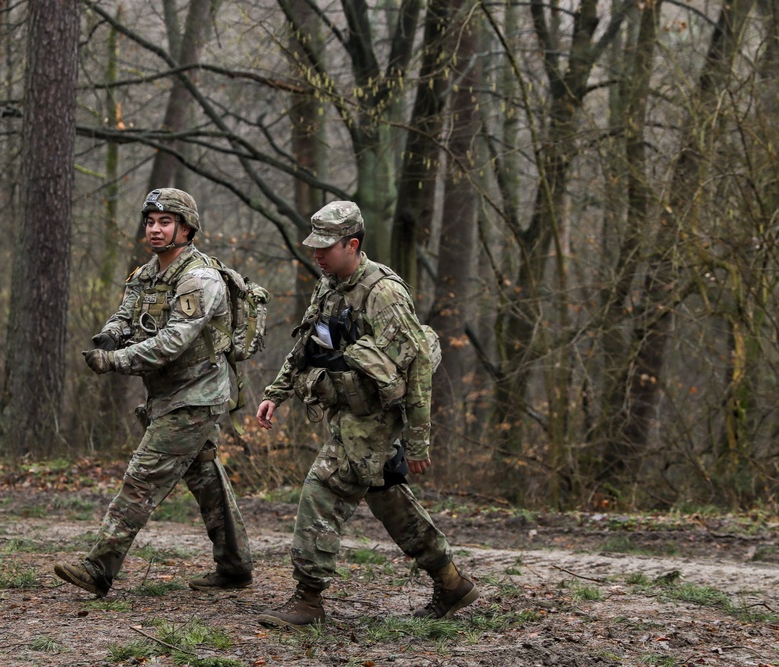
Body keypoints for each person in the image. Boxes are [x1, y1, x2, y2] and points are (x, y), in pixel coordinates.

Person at [254, 201, 478, 626]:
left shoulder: (384, 294)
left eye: (325, 247)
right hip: (346, 412)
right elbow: (306, 344)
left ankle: (308, 599)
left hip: (372, 421)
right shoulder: (330, 285)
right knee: (388, 498)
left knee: (321, 493)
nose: (316, 254)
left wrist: (417, 441)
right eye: (314, 246)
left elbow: (419, 369)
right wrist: (276, 392)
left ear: (352, 244)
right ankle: (451, 582)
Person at [54, 188, 253, 597]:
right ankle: (234, 567)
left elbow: (174, 342)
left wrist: (117, 361)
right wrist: (109, 336)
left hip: (195, 397)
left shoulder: (199, 278)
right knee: (207, 479)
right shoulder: (147, 273)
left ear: (186, 228)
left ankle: (99, 567)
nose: (155, 229)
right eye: (150, 221)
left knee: (142, 479)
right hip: (168, 395)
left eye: (165, 222)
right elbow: (126, 315)